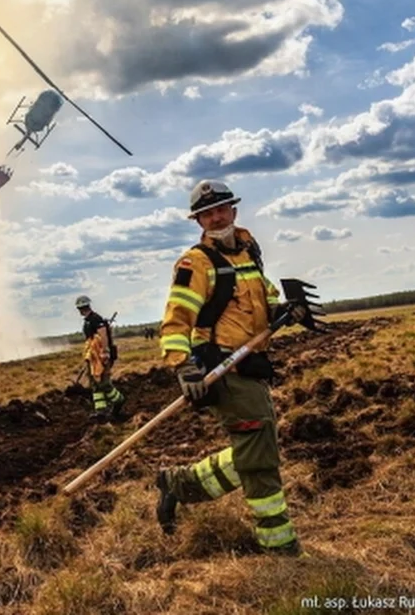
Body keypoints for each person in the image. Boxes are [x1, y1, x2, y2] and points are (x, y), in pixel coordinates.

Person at [153, 179, 302, 556]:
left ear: (234, 210)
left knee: (257, 447)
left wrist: (282, 309)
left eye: (221, 209)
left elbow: (263, 297)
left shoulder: (249, 251)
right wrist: (183, 367)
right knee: (259, 457)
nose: (216, 217)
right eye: (207, 213)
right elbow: (176, 321)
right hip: (222, 367)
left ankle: (179, 484)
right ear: (199, 221)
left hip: (251, 364)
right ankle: (279, 546)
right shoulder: (196, 263)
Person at [76, 295, 126, 422]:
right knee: (95, 385)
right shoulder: (88, 320)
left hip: (101, 356)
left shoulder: (95, 319)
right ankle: (101, 412)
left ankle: (119, 400)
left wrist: (105, 352)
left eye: (81, 307)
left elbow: (103, 335)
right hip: (93, 357)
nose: (81, 310)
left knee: (103, 383)